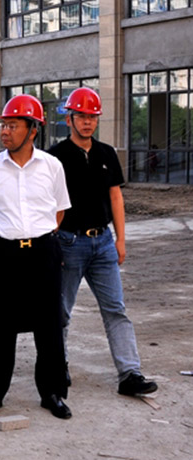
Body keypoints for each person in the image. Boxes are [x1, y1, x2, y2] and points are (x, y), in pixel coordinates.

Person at [48, 87, 158, 397]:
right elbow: (46, 203)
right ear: (69, 119)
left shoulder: (107, 153)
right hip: (68, 243)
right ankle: (58, 366)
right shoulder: (54, 157)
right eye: (82, 116)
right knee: (61, 311)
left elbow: (116, 197)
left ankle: (130, 374)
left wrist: (121, 239)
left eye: (93, 117)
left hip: (104, 243)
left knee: (116, 309)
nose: (88, 122)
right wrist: (52, 244)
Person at [0, 94, 72, 420]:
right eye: (3, 125)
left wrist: (35, 236)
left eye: (13, 126)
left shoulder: (52, 166)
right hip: (4, 254)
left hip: (43, 252)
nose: (5, 131)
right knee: (0, 327)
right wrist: (8, 235)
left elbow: (59, 211)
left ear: (32, 130)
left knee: (49, 325)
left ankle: (52, 393)